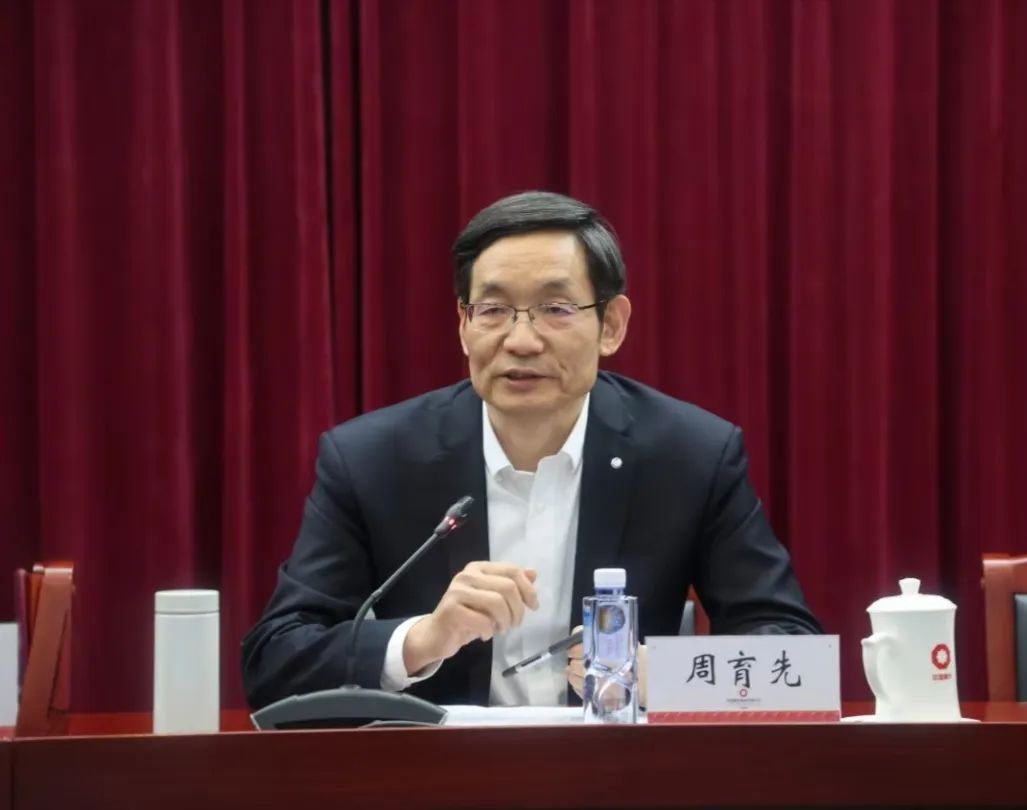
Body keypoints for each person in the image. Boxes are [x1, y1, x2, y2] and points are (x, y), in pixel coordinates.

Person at [241, 191, 820, 710]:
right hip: (432, 776)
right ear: (464, 324)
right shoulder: (372, 460)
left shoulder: (691, 455)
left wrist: (667, 678)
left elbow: (798, 662)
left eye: (556, 309)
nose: (521, 340)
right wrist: (421, 640)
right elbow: (274, 662)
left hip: (619, 775)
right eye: (493, 310)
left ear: (612, 325)